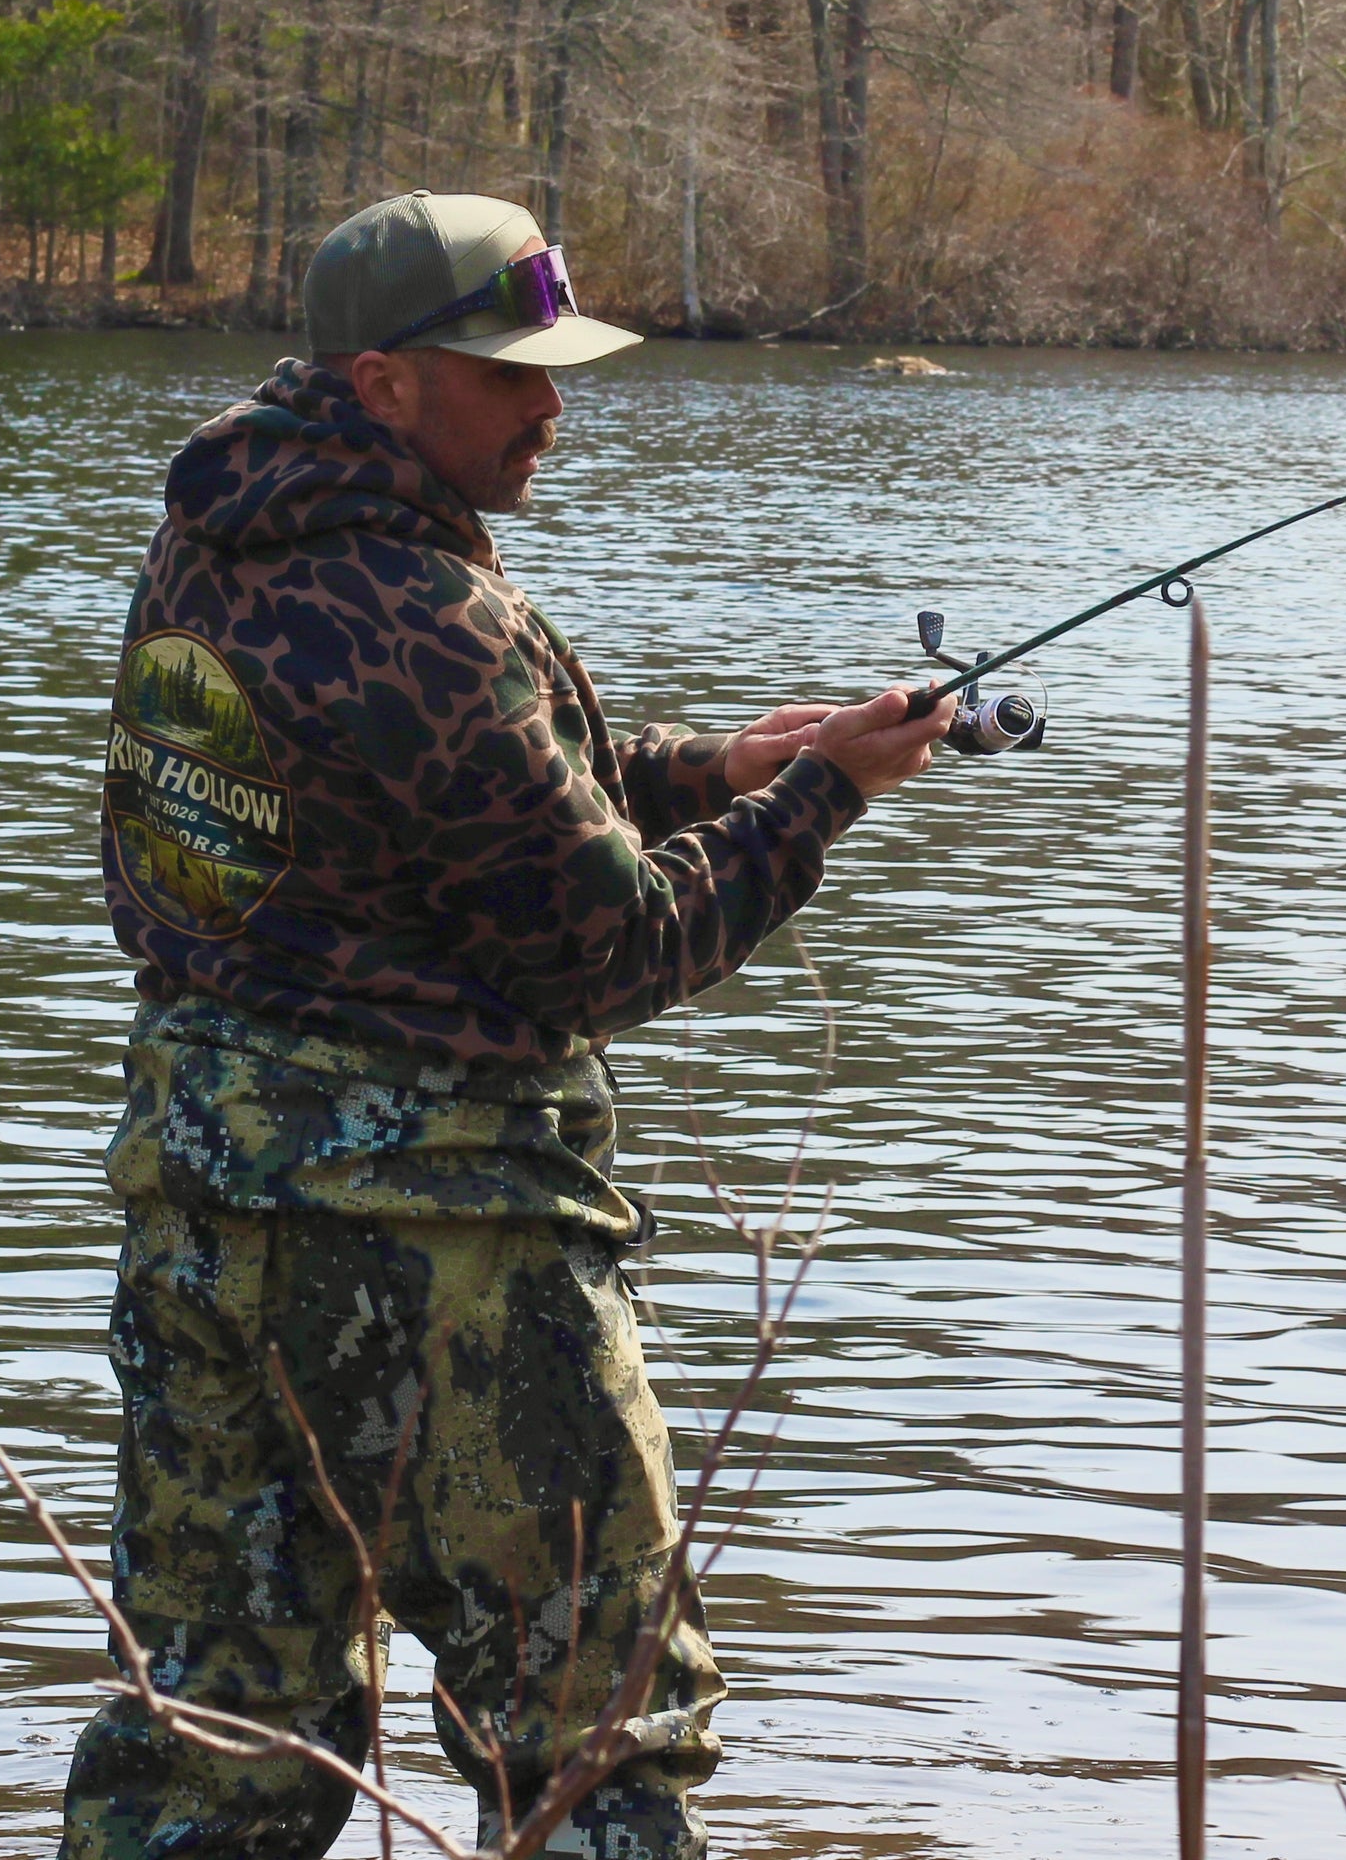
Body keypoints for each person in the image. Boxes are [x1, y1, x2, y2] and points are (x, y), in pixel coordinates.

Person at [60, 191, 949, 1860]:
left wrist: (718, 771)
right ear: (389, 384)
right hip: (448, 1246)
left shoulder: (217, 543)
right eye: (513, 375)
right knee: (590, 1740)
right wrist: (826, 800)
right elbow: (606, 948)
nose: (554, 407)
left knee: (213, 1738)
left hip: (198, 1221)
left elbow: (419, 809)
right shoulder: (432, 611)